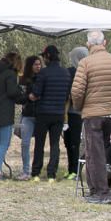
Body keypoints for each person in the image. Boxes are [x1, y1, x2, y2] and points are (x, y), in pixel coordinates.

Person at [70, 30, 111, 205]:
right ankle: (95, 190)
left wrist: (80, 107)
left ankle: (102, 193)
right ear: (105, 43)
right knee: (98, 151)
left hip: (93, 115)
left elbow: (77, 90)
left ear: (88, 44)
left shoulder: (85, 63)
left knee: (94, 154)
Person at [30, 45, 72, 182]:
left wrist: (31, 96)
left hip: (43, 113)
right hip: (59, 113)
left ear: (47, 56)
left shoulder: (43, 73)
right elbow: (67, 95)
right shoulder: (66, 73)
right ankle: (51, 174)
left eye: (43, 56)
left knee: (39, 144)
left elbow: (36, 93)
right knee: (55, 144)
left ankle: (36, 173)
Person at [0, 49, 21, 180]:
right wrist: (21, 94)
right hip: (5, 112)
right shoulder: (10, 74)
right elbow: (12, 92)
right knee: (4, 143)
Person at [63, 46, 88, 180]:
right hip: (71, 113)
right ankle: (71, 169)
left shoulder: (84, 72)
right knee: (69, 142)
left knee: (75, 143)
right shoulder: (72, 71)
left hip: (77, 113)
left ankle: (75, 170)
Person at [18, 55, 41, 179]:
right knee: (25, 143)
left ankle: (37, 170)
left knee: (39, 144)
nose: (38, 66)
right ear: (30, 66)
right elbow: (19, 98)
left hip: (41, 115)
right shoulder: (22, 80)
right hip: (27, 115)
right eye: (35, 64)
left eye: (39, 64)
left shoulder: (43, 78)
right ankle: (26, 171)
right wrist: (28, 97)